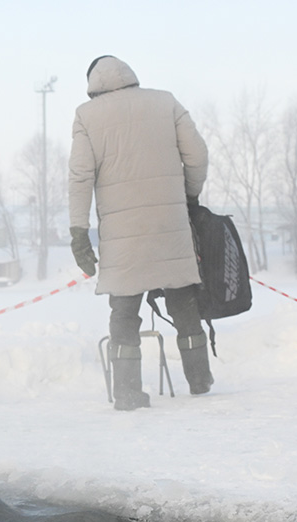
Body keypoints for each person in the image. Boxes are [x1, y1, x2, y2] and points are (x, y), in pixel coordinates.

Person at [67, 55, 212, 410]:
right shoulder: (165, 102)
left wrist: (79, 232)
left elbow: (80, 176)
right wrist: (189, 197)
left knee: (124, 311)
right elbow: (197, 155)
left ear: (93, 85)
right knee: (183, 301)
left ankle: (128, 392)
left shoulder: (87, 116)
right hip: (169, 224)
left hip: (122, 236)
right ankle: (199, 380)